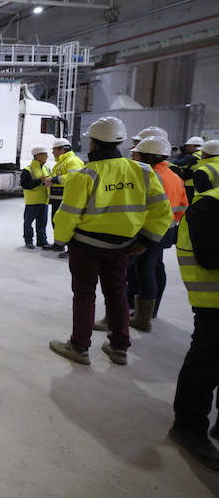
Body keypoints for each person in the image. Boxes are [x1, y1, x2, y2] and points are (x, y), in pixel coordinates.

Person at [49, 117, 171, 366]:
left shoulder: (86, 174)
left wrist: (61, 241)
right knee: (117, 293)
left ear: (93, 144)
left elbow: (68, 214)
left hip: (85, 246)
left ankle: (79, 347)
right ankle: (119, 347)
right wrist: (146, 241)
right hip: (123, 246)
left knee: (84, 295)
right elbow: (162, 212)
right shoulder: (143, 171)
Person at [93, 136, 188, 333]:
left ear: (148, 156)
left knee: (118, 277)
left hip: (140, 234)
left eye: (136, 155)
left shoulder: (146, 175)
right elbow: (182, 207)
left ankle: (112, 319)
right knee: (147, 273)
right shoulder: (174, 176)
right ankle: (143, 319)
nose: (133, 158)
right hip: (162, 234)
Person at [168, 185, 219, 471]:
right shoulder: (208, 206)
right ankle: (188, 426)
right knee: (205, 366)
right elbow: (209, 256)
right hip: (214, 301)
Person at [45, 137, 85, 257]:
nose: (52, 152)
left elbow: (74, 177)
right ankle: (59, 244)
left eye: (54, 150)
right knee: (56, 222)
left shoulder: (73, 161)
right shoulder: (63, 162)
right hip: (58, 198)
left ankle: (70, 249)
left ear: (62, 150)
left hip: (67, 199)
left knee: (68, 224)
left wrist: (54, 179)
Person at [20, 146, 51, 249]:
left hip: (44, 200)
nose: (47, 156)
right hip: (33, 201)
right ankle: (28, 241)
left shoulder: (46, 168)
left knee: (42, 223)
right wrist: (40, 181)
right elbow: (25, 185)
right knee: (28, 222)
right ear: (38, 156)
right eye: (44, 154)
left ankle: (42, 241)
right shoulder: (28, 170)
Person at [174, 136, 204, 202]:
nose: (186, 148)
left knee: (187, 202)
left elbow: (176, 163)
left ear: (195, 146)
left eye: (188, 146)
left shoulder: (193, 156)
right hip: (197, 183)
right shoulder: (202, 154)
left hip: (190, 185)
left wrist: (178, 154)